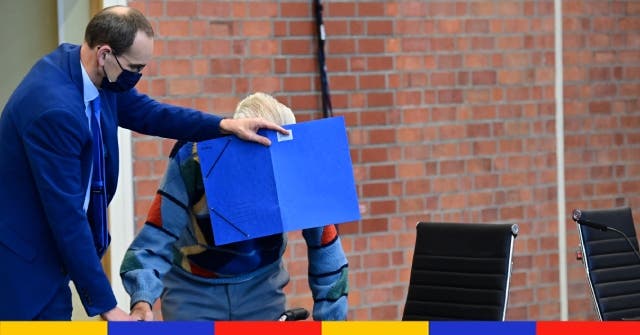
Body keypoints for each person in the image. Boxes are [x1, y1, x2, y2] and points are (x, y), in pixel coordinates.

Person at [0, 6, 287, 321]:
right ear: (104, 53)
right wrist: (108, 307)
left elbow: (151, 114)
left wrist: (224, 126)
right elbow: (67, 217)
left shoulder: (95, 74)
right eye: (135, 67)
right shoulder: (54, 110)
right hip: (20, 266)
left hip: (51, 259)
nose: (137, 76)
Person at [120, 92, 349, 321]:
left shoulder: (297, 167)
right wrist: (142, 299)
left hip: (261, 288)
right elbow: (155, 239)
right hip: (191, 290)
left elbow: (327, 251)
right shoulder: (194, 160)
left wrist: (332, 323)